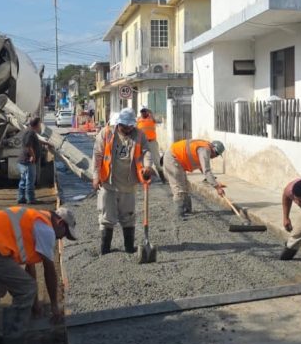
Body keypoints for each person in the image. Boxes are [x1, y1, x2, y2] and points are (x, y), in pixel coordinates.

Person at [0, 206, 77, 344]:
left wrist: (35, 305)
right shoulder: (46, 229)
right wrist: (54, 305)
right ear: (60, 223)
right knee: (27, 288)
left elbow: (30, 267)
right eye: (63, 235)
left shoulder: (34, 219)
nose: (60, 238)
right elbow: (49, 271)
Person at [91, 108, 154, 255]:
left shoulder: (139, 135)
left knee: (129, 216)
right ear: (118, 123)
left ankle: (129, 248)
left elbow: (146, 152)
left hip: (129, 183)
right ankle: (105, 249)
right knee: (107, 217)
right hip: (109, 183)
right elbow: (97, 156)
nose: (127, 129)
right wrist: (95, 176)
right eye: (124, 126)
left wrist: (147, 166)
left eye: (130, 126)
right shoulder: (106, 133)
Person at [162, 139, 226, 217]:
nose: (215, 156)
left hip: (177, 159)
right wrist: (217, 188)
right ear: (213, 148)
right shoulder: (205, 150)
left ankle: (187, 210)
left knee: (185, 185)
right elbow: (207, 171)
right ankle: (179, 214)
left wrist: (215, 183)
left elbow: (203, 168)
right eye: (216, 154)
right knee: (178, 187)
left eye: (217, 155)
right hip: (172, 158)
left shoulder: (205, 148)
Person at [17, 117, 42, 204]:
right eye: (39, 124)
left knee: (24, 180)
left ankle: (21, 198)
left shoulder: (28, 131)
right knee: (30, 181)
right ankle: (30, 199)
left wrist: (47, 143)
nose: (40, 125)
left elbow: (33, 142)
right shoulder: (30, 132)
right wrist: (33, 156)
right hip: (28, 161)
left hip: (23, 160)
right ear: (36, 124)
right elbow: (28, 145)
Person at [136, 108, 164, 181]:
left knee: (157, 161)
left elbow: (159, 120)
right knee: (142, 162)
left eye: (145, 111)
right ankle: (143, 179)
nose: (143, 113)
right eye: (142, 111)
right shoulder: (138, 120)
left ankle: (163, 179)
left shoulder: (152, 118)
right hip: (142, 144)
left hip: (152, 143)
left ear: (147, 112)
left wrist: (151, 113)